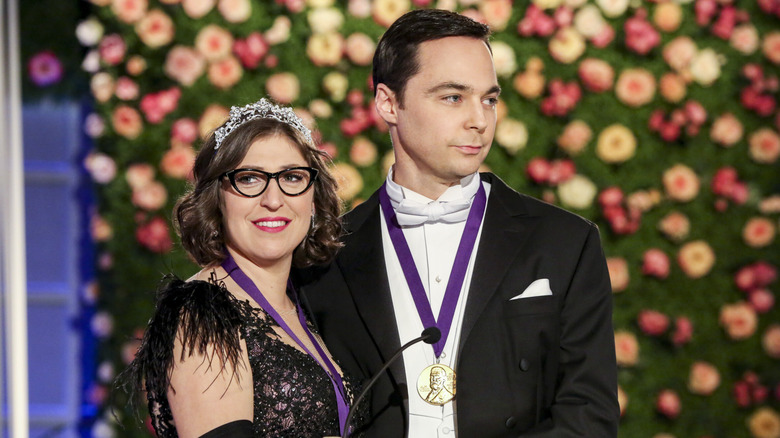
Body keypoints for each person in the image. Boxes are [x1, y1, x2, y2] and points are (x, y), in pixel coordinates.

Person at [295, 9, 620, 437]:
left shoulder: (565, 241)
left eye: (489, 99)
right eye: (453, 97)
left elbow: (589, 416)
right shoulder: (327, 253)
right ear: (388, 103)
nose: (480, 120)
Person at [121, 98, 360, 437]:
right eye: (249, 179)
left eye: (291, 177)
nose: (273, 199)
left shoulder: (304, 304)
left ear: (313, 198)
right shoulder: (203, 312)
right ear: (217, 197)